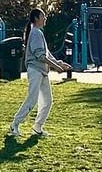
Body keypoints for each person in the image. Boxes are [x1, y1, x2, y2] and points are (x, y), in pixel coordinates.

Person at [10, 8, 71, 139]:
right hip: (35, 70)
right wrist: (56, 67)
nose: (45, 19)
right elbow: (40, 56)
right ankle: (15, 124)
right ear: (36, 18)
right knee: (32, 100)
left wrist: (59, 64)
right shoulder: (36, 33)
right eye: (43, 17)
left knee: (47, 101)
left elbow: (47, 54)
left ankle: (37, 127)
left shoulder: (38, 33)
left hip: (42, 71)